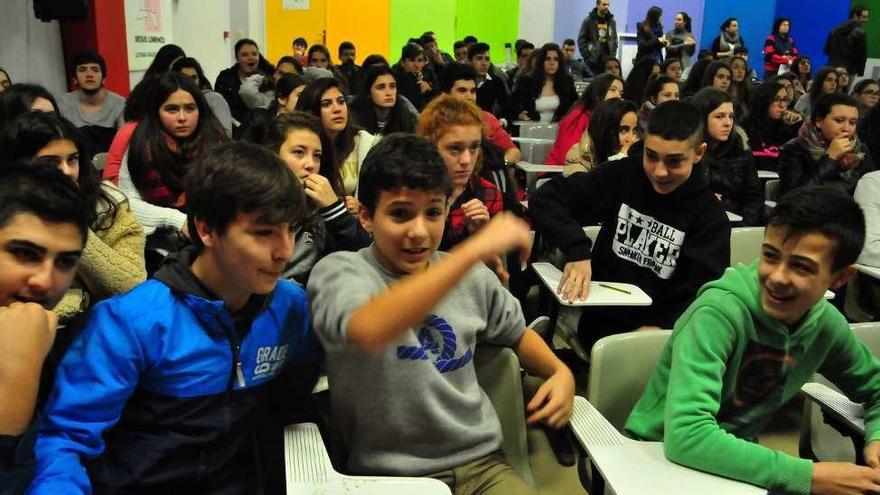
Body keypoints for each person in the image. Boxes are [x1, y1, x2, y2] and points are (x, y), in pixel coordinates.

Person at [31, 141, 321, 494]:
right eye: (264, 233)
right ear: (207, 230)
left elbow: (294, 401)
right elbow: (66, 444)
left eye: (291, 229)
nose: (285, 251)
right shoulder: (131, 323)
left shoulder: (290, 307)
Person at [306, 132, 574, 494]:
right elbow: (368, 328)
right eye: (400, 213)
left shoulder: (472, 278)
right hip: (389, 478)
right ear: (366, 217)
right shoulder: (340, 272)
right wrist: (471, 253)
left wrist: (560, 372)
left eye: (433, 212)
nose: (419, 232)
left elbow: (516, 332)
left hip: (482, 465)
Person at [625, 184, 880, 495]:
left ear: (840, 278)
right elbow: (686, 436)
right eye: (770, 256)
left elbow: (877, 386)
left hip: (731, 464)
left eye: (800, 266)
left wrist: (876, 436)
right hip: (654, 458)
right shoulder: (718, 312)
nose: (776, 276)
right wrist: (809, 475)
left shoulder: (826, 326)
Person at [531, 101, 730, 348]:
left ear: (698, 153)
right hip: (600, 323)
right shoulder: (624, 174)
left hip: (664, 336)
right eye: (651, 156)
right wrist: (577, 249)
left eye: (674, 161)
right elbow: (547, 197)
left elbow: (703, 293)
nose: (659, 171)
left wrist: (663, 326)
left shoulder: (710, 216)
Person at [0, 112, 146, 322]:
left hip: (97, 328)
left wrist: (70, 218)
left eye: (72, 160)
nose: (66, 171)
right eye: (51, 161)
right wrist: (76, 299)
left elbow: (132, 285)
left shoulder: (107, 204)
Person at [0, 164, 89, 495]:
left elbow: (56, 451)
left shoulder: (46, 336)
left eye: (65, 262)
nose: (45, 282)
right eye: (25, 253)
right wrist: (17, 379)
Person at [251, 112, 371, 285]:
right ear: (273, 155)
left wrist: (335, 210)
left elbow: (365, 259)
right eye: (299, 153)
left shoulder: (324, 209)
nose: (311, 164)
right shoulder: (251, 202)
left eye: (317, 156)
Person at [120, 72, 229, 235]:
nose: (182, 117)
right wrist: (177, 220)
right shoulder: (140, 145)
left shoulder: (216, 144)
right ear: (156, 112)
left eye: (190, 108)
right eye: (172, 110)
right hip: (154, 237)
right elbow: (127, 202)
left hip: (213, 233)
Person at [417, 95, 503, 252]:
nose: (466, 160)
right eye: (455, 148)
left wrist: (480, 234)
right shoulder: (412, 191)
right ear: (430, 146)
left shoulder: (488, 194)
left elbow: (499, 272)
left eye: (474, 147)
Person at [295, 77, 378, 201]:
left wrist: (361, 206)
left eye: (341, 101)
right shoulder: (301, 146)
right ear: (312, 111)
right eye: (326, 104)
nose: (337, 109)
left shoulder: (364, 143)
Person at [779, 92, 875, 197]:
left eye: (852, 123)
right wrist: (830, 158)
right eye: (839, 121)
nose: (846, 129)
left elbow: (872, 188)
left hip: (852, 210)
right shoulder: (794, 149)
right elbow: (795, 195)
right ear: (818, 121)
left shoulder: (860, 150)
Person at [691, 88, 762, 225]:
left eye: (731, 116)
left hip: (735, 226)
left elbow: (754, 198)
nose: (728, 123)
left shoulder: (741, 151)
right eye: (719, 116)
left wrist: (743, 228)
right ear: (701, 118)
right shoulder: (688, 151)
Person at [443, 63, 521, 166]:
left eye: (473, 91)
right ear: (446, 94)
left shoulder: (487, 119)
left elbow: (514, 152)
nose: (469, 97)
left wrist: (499, 165)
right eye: (462, 91)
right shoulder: (435, 120)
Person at [546, 73, 623, 165]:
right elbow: (567, 156)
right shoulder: (579, 115)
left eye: (621, 93)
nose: (618, 96)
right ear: (598, 93)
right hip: (558, 173)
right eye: (613, 90)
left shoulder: (613, 120)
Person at [57, 50, 125, 155]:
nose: (89, 75)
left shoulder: (119, 104)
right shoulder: (62, 103)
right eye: (82, 70)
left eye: (95, 70)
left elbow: (125, 146)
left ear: (104, 78)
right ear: (74, 78)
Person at [563, 98, 639, 175]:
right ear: (605, 130)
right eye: (623, 130)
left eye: (634, 131)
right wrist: (620, 161)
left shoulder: (634, 156)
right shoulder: (577, 161)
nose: (631, 138)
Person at [742, 81, 799, 171]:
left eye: (784, 100)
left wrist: (798, 125)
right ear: (764, 101)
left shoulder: (788, 128)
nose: (782, 105)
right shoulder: (745, 126)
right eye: (776, 99)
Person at [513, 43, 577, 123]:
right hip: (531, 129)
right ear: (541, 61)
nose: (552, 62)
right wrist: (519, 114)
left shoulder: (567, 81)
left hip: (560, 129)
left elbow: (576, 105)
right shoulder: (526, 81)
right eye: (548, 59)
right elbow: (511, 104)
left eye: (556, 59)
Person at [215, 38, 270, 128]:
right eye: (245, 55)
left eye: (254, 54)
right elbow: (221, 107)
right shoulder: (225, 78)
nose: (250, 58)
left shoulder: (268, 78)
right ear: (237, 58)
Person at [171, 57, 233, 136]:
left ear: (200, 79)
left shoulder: (213, 99)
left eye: (194, 78)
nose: (191, 82)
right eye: (185, 78)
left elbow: (226, 135)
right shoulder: (171, 100)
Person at [350, 64, 418, 135]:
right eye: (381, 87)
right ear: (369, 92)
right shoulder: (354, 117)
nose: (388, 93)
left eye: (392, 86)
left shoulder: (405, 114)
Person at [469, 42, 515, 122]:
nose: (484, 63)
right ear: (470, 61)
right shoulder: (465, 82)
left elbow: (507, 108)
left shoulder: (496, 81)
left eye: (487, 59)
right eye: (479, 58)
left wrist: (502, 121)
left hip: (492, 125)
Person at [824, 5, 870, 77]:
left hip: (832, 69)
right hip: (849, 71)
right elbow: (862, 56)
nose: (866, 20)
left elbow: (826, 50)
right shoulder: (860, 33)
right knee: (846, 88)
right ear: (855, 16)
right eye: (864, 17)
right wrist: (861, 72)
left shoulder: (834, 30)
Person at [392, 42, 436, 112]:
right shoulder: (394, 81)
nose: (416, 65)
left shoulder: (428, 75)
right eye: (412, 60)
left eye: (420, 60)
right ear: (402, 63)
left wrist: (430, 91)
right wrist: (419, 92)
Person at [578, 0, 619, 74]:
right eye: (604, 4)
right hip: (593, 62)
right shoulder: (588, 21)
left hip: (608, 61)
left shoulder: (612, 22)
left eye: (608, 4)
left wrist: (613, 55)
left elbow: (615, 39)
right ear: (597, 5)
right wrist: (587, 57)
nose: (606, 7)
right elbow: (581, 40)